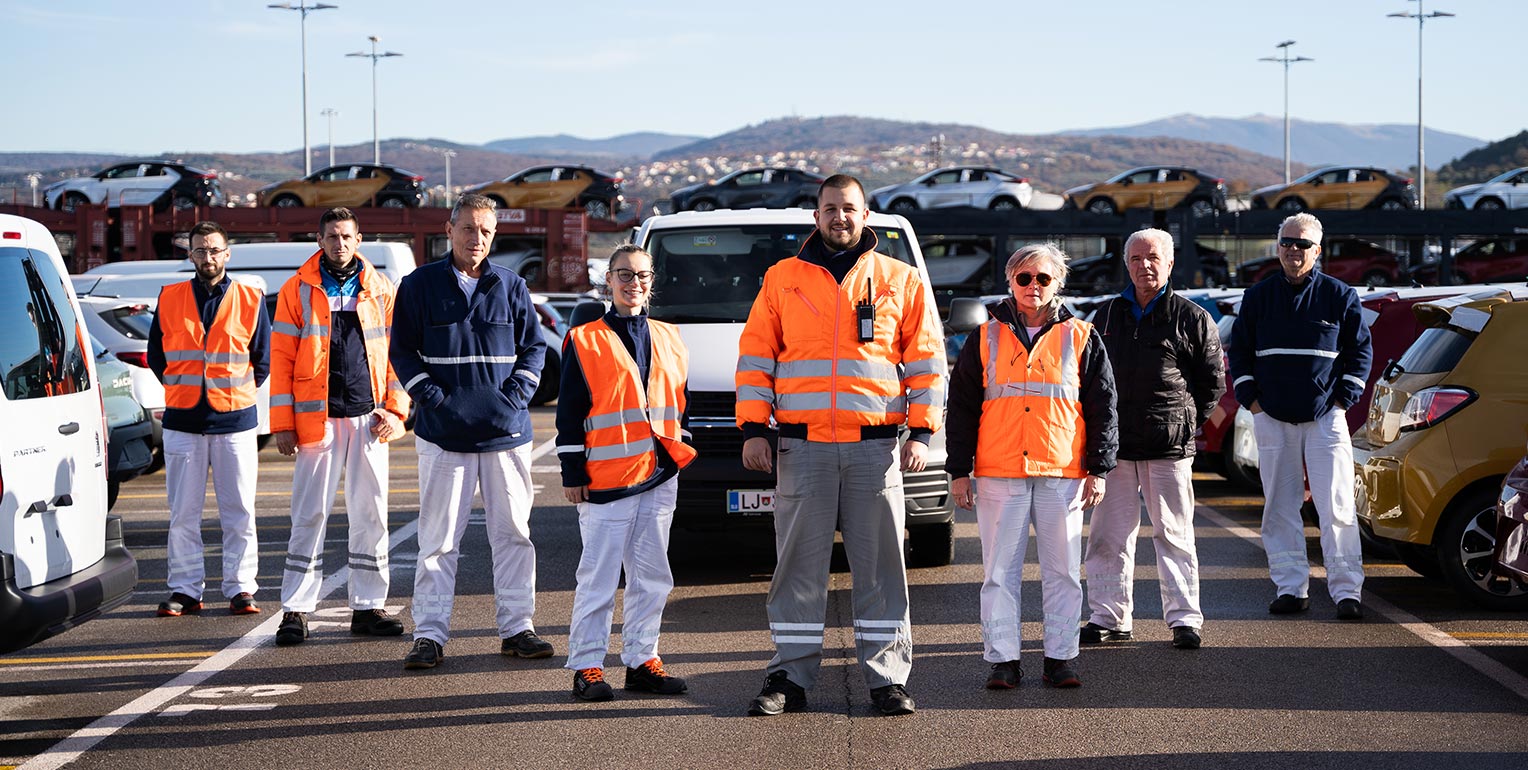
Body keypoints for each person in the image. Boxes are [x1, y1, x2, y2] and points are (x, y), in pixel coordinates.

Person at [735, 174, 946, 717]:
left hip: (874, 450)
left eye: (849, 208)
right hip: (801, 448)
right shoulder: (782, 278)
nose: (840, 217)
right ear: (817, 216)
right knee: (797, 570)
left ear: (865, 214)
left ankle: (888, 679)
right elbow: (756, 358)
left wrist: (922, 432)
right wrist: (754, 427)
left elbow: (927, 363)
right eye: (830, 208)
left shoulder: (899, 279)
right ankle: (789, 676)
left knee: (881, 569)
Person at [389, 193, 551, 669]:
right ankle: (429, 635)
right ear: (449, 230)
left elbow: (534, 349)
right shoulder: (418, 285)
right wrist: (434, 399)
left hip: (506, 436)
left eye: (485, 230)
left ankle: (518, 629)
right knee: (438, 542)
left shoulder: (512, 286)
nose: (476, 238)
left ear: (493, 234)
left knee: (514, 536)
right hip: (443, 437)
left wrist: (514, 397)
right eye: (467, 228)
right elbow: (402, 352)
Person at [947, 243, 1117, 690]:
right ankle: (1003, 660)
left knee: (1063, 573)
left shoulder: (1081, 336)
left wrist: (1099, 469)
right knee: (998, 574)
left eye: (1043, 278)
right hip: (999, 471)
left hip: (1062, 471)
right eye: (1024, 278)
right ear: (1010, 281)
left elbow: (1103, 406)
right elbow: (961, 408)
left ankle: (1060, 658)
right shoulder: (984, 337)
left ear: (1058, 282)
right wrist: (959, 471)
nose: (1033, 286)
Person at [556, 245, 695, 702]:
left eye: (642, 275)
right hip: (606, 479)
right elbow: (570, 412)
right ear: (609, 281)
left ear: (652, 281)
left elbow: (680, 401)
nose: (634, 283)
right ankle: (587, 667)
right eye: (624, 275)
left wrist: (679, 449)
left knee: (653, 577)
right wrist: (572, 471)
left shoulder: (670, 336)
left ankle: (641, 661)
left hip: (660, 474)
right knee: (598, 579)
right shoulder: (584, 339)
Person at [270, 207, 411, 646]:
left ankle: (368, 606)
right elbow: (281, 359)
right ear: (319, 240)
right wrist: (282, 423)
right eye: (332, 236)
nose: (340, 244)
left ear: (359, 239)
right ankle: (295, 610)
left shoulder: (380, 288)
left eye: (347, 236)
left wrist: (396, 411)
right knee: (308, 513)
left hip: (370, 419)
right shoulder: (296, 289)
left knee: (371, 514)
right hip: (318, 420)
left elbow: (397, 357)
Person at [1082, 229, 1224, 651]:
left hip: (1169, 448)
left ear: (1170, 262)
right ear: (1126, 264)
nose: (1144, 265)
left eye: (1153, 257)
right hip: (1116, 448)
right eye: (1136, 258)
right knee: (1107, 537)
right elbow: (1089, 380)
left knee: (1175, 536)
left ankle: (1184, 619)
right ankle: (1109, 617)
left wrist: (1183, 423)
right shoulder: (1106, 316)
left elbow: (1212, 383)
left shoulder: (1193, 317)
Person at [1230, 212, 1371, 620]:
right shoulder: (1258, 297)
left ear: (1318, 250)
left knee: (1337, 506)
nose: (1294, 249)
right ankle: (1291, 588)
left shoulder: (1339, 295)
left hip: (1326, 419)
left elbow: (1361, 352)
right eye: (1287, 242)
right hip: (1273, 419)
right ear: (1278, 247)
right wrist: (1252, 402)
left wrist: (1343, 401)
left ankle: (1347, 592)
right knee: (1279, 507)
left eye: (1302, 244)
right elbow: (1239, 352)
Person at [149, 221, 271, 617]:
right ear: (190, 254)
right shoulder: (170, 297)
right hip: (183, 421)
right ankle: (186, 590)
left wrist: (231, 393)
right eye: (200, 250)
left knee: (239, 512)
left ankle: (241, 588)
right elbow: (156, 357)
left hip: (234, 422)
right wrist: (184, 389)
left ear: (227, 253)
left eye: (214, 250)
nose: (208, 257)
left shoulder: (250, 299)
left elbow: (262, 359)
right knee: (183, 515)